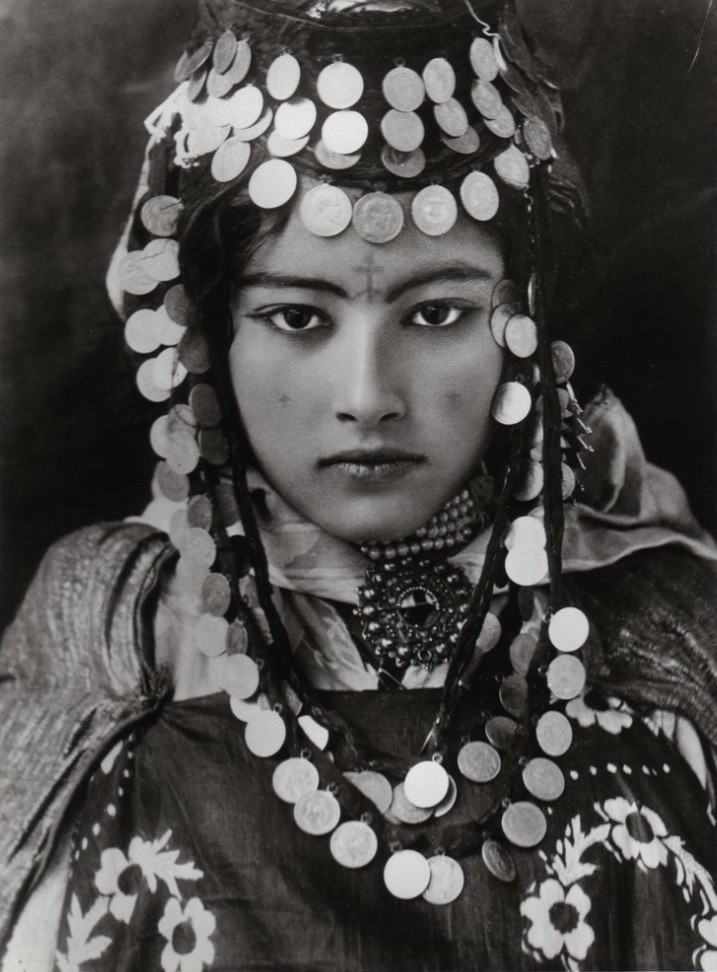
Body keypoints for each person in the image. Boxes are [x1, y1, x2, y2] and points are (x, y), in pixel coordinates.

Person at [1, 0, 716, 969]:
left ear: (525, 325)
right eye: (298, 317)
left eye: (436, 316)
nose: (369, 397)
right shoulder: (118, 637)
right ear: (210, 339)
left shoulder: (669, 637)